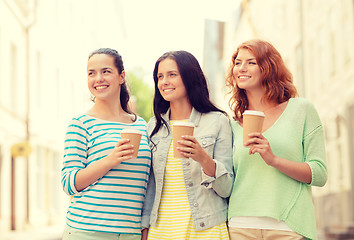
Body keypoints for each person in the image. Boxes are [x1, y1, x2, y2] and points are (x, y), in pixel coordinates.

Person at [225, 39, 327, 240]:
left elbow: (320, 173)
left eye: (251, 62)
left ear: (268, 68)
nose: (241, 68)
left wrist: (274, 160)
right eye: (237, 62)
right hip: (240, 226)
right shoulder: (233, 124)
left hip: (288, 226)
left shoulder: (301, 110)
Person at [141, 50, 234, 240]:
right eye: (160, 76)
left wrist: (203, 158)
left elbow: (226, 188)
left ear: (189, 77)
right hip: (161, 230)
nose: (164, 82)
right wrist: (145, 229)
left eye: (172, 74)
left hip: (205, 228)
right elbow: (150, 185)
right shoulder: (153, 126)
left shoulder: (217, 121)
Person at [61, 48, 151, 240]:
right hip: (86, 231)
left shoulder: (141, 125)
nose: (98, 78)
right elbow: (68, 183)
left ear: (121, 76)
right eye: (91, 73)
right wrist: (110, 160)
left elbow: (147, 183)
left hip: (130, 233)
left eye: (106, 71)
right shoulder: (80, 123)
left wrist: (144, 228)